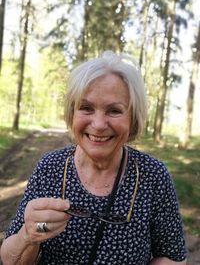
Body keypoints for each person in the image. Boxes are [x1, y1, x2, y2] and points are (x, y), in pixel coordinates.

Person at [0, 51, 187, 265]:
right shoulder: (50, 168)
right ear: (72, 114)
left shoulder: (152, 176)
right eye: (86, 108)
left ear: (133, 119)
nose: (98, 124)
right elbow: (9, 259)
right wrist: (28, 236)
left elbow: (171, 255)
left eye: (114, 111)